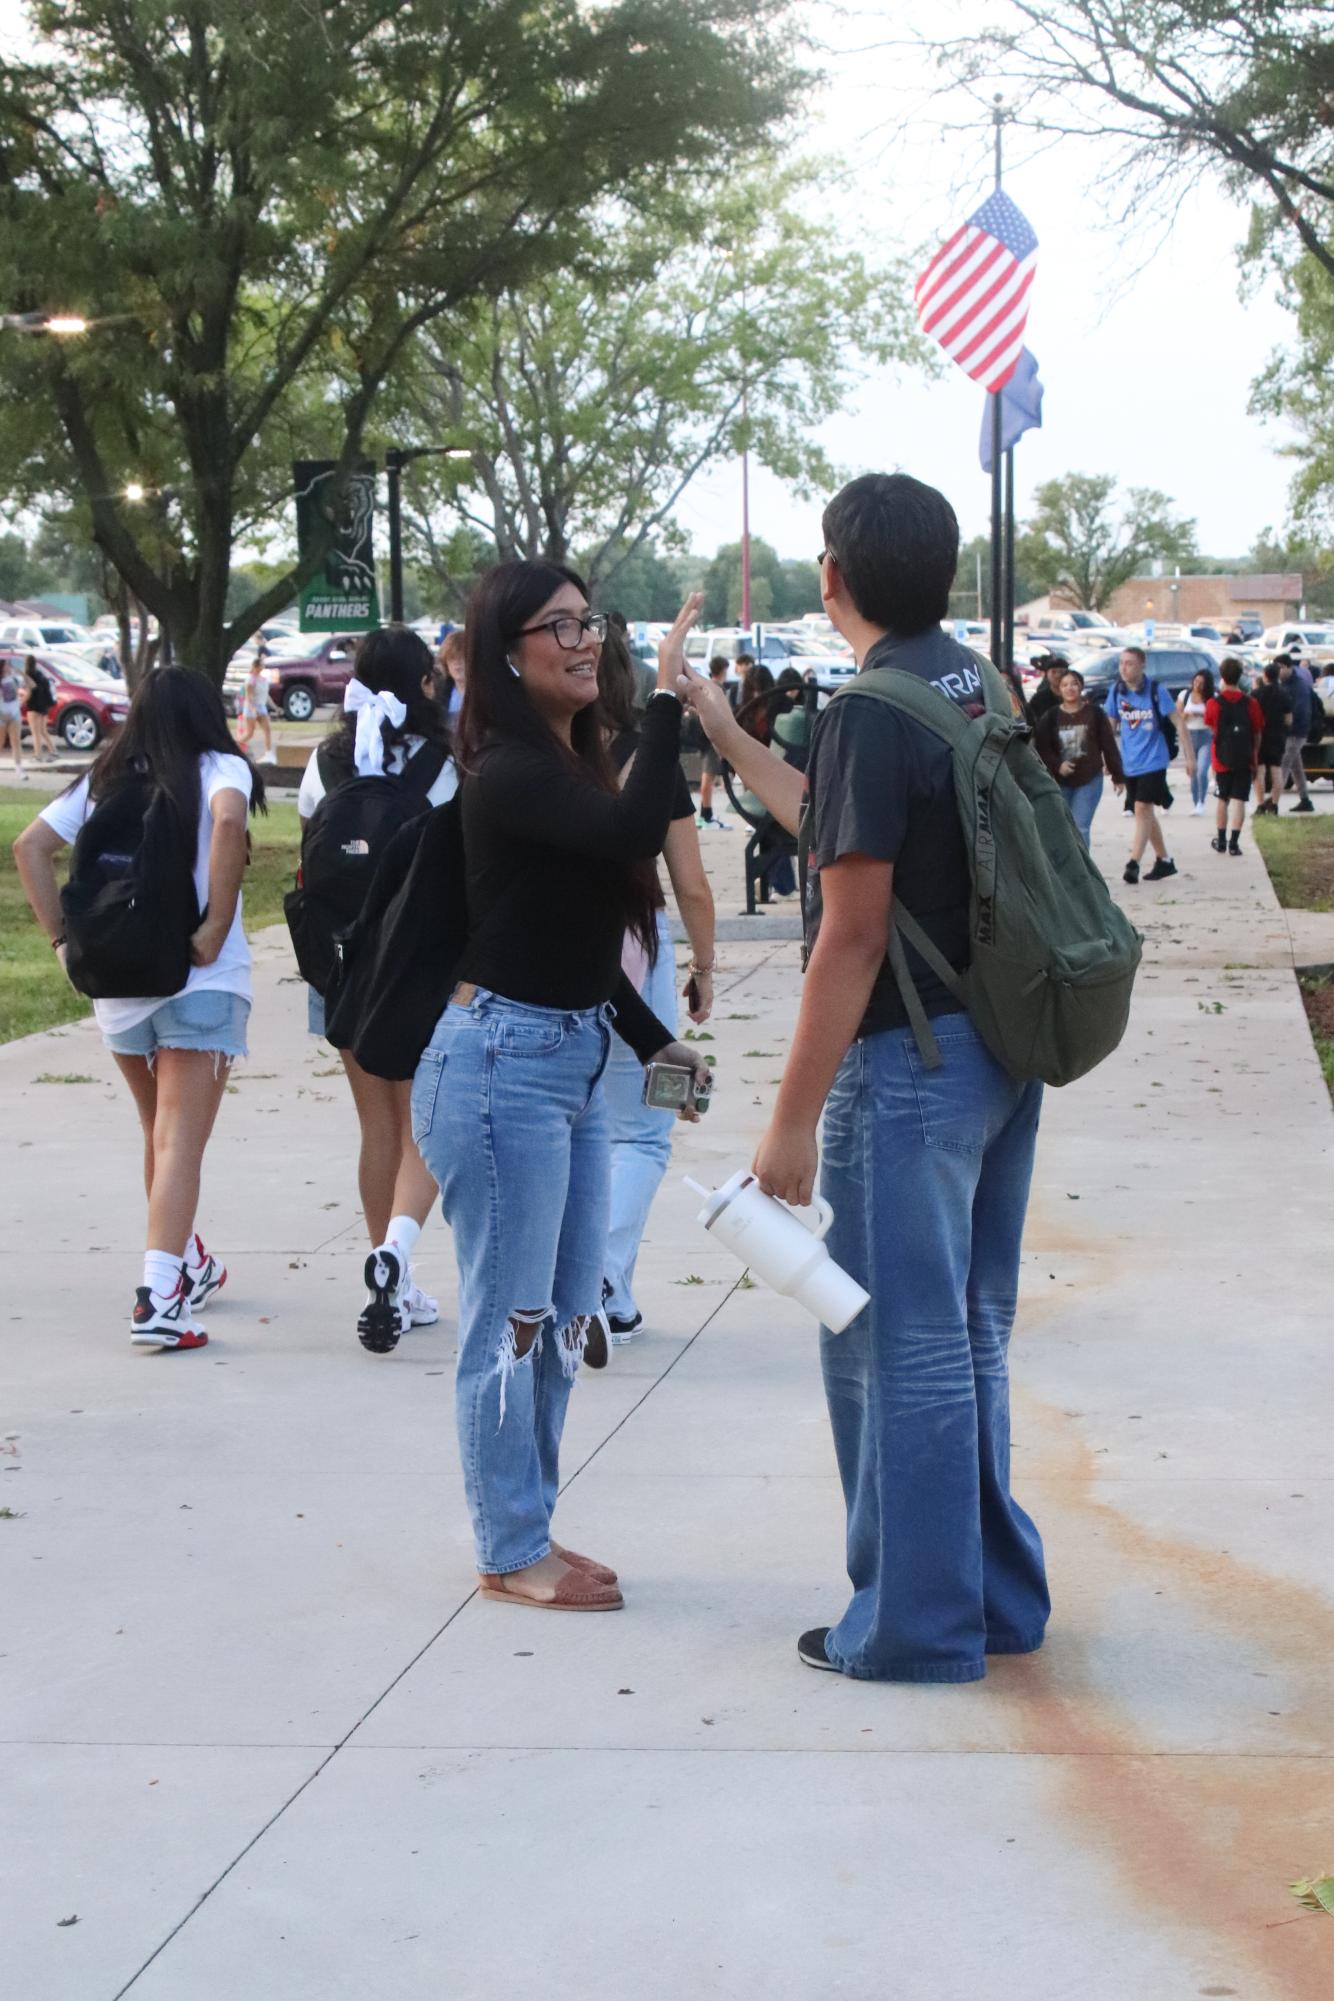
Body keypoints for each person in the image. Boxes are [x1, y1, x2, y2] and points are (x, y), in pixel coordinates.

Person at [679, 471, 1049, 1683]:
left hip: (908, 1068)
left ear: (831, 576)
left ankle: (912, 1626)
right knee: (967, 1334)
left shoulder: (863, 712)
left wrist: (788, 1125)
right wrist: (728, 735)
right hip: (997, 1053)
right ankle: (988, 1598)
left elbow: (849, 928)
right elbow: (843, 823)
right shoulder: (962, 683)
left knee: (896, 1348)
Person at [409, 564, 709, 1612]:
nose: (585, 642)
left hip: (571, 1056)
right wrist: (667, 696)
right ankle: (506, 1545)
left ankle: (524, 1524)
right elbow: (638, 837)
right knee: (509, 1321)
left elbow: (575, 943)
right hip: (498, 1071)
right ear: (506, 652)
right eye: (561, 626)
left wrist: (653, 1043)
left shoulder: (566, 768)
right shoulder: (503, 771)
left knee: (563, 1306)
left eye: (592, 623)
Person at [13, 668, 262, 1349]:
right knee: (180, 1138)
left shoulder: (104, 777)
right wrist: (214, 925)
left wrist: (63, 942)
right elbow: (231, 820)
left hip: (118, 982)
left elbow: (29, 846)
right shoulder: (220, 764)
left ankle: (185, 1260)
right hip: (199, 980)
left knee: (159, 1131)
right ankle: (157, 1298)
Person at [297, 626, 457, 1348]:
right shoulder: (442, 766)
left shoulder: (325, 761)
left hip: (340, 964)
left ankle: (384, 1268)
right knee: (422, 1121)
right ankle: (399, 1253)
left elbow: (310, 851)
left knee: (377, 1125)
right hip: (419, 963)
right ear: (424, 683)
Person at [599, 623, 717, 1342]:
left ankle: (611, 1290)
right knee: (641, 1134)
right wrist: (705, 968)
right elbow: (693, 885)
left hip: (542, 958)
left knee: (579, 1132)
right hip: (635, 953)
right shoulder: (650, 757)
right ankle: (604, 1274)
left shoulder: (542, 753)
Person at [1104, 647, 1179, 884]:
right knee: (1146, 814)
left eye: (1130, 663)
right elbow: (1110, 728)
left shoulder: (1156, 691)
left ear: (1142, 665)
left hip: (1154, 760)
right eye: (1121, 663)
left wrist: (1192, 758)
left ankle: (1133, 862)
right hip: (1130, 761)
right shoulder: (1117, 691)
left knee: (1141, 809)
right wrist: (1108, 760)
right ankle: (1164, 860)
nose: (1124, 668)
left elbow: (1180, 724)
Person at [1033, 665, 1124, 847]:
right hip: (1061, 780)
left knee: (1081, 826)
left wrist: (1118, 776)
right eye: (1065, 685)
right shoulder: (1051, 716)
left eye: (1074, 684)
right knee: (1063, 827)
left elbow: (1108, 745)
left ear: (1081, 687)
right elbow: (1041, 746)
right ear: (1059, 689)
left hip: (1090, 778)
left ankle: (1084, 873)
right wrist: (1057, 765)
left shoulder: (1095, 714)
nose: (1070, 688)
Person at [1204, 657, 1262, 858]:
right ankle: (1234, 843)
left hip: (1221, 759)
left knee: (1222, 799)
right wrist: (1254, 755)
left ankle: (1221, 840)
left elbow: (1211, 726)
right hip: (1244, 757)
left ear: (1222, 676)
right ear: (1240, 676)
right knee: (1239, 800)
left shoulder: (1214, 703)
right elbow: (1256, 731)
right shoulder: (1251, 703)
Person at [695, 657, 733, 830]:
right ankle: (706, 815)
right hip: (712, 737)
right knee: (708, 777)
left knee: (708, 777)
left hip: (703, 736)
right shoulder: (717, 689)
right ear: (723, 669)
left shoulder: (706, 686)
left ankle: (705, 813)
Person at [1277, 652, 1315, 812]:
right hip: (1291, 731)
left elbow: (1300, 710)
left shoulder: (1298, 686)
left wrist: (1287, 725)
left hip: (1297, 731)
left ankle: (1273, 802)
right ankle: (1305, 799)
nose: (1278, 672)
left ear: (1287, 667)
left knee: (1284, 763)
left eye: (1279, 668)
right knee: (1296, 766)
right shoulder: (1285, 684)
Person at [1252, 661, 1290, 815]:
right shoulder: (1284, 693)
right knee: (1276, 770)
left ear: (1265, 676)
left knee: (1259, 772)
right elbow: (1289, 719)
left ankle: (1260, 805)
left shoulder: (1256, 694)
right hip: (1277, 735)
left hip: (1260, 735)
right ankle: (1274, 804)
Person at [1176, 666, 1215, 815]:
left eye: (1201, 683)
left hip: (1206, 734)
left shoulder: (1212, 697)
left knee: (1202, 770)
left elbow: (1216, 717)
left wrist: (1203, 715)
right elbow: (1177, 716)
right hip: (1189, 735)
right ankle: (1195, 801)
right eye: (1196, 681)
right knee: (1193, 771)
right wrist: (1186, 714)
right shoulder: (1184, 695)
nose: (1197, 685)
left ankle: (1201, 802)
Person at [237, 649, 276, 764]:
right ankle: (234, 746)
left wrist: (274, 706)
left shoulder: (262, 679)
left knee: (267, 730)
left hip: (261, 707)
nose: (262, 668)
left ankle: (268, 753)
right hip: (252, 708)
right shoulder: (251, 679)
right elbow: (249, 696)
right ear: (256, 666)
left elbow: (266, 695)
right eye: (261, 666)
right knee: (249, 733)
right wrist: (253, 710)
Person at [22, 655, 57, 760]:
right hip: (43, 707)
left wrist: (21, 701)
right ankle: (53, 751)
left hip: (33, 707)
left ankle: (37, 755)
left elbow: (29, 693)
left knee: (35, 732)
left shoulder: (28, 675)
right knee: (43, 731)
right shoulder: (40, 674)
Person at [0, 651, 25, 779]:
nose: (9, 666)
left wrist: (20, 672)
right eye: (7, 664)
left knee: (16, 742)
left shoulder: (15, 678)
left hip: (15, 714)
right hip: (2, 716)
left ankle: (19, 770)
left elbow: (31, 685)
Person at [1026, 653, 1069, 726]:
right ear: (1047, 675)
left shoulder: (1073, 696)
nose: (1058, 675)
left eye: (1061, 672)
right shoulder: (1039, 698)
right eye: (1053, 672)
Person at [436, 628, 466, 727]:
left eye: (462, 657)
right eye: (452, 658)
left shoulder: (486, 692)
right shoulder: (439, 693)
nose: (457, 663)